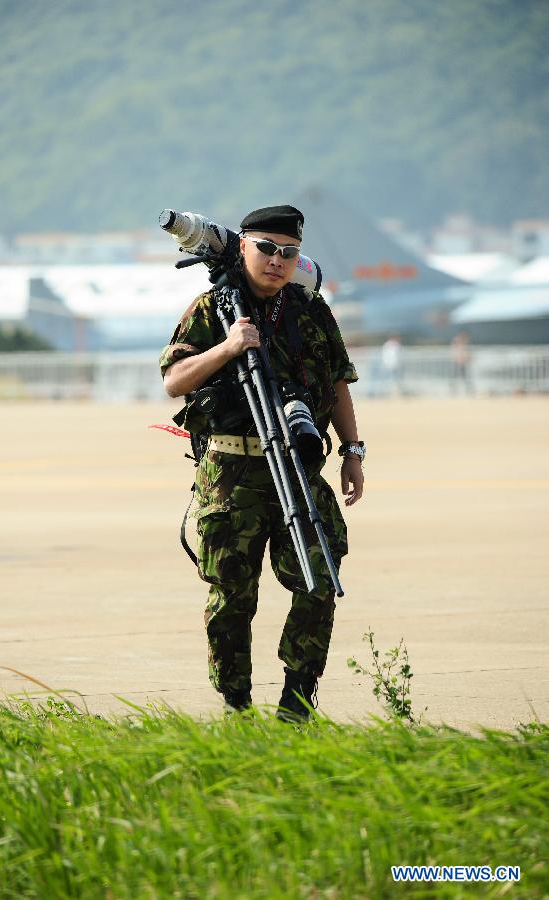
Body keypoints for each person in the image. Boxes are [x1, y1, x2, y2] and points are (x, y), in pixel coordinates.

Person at [159, 205, 364, 720]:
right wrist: (228, 348)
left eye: (289, 252)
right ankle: (237, 707)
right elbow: (174, 380)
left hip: (298, 467)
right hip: (232, 475)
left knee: (319, 581)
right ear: (244, 247)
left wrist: (353, 451)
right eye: (266, 248)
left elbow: (337, 382)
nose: (277, 260)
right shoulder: (213, 309)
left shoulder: (312, 312)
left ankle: (297, 702)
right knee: (231, 596)